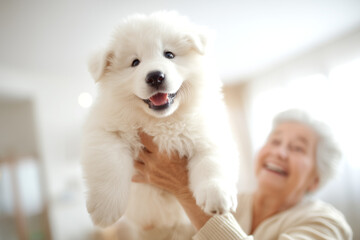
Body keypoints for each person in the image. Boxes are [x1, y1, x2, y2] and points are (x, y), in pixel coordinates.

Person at [132, 109, 353, 239]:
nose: (279, 152)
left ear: (315, 180)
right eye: (274, 141)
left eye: (297, 148)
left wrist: (183, 188)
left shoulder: (327, 224)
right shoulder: (229, 200)